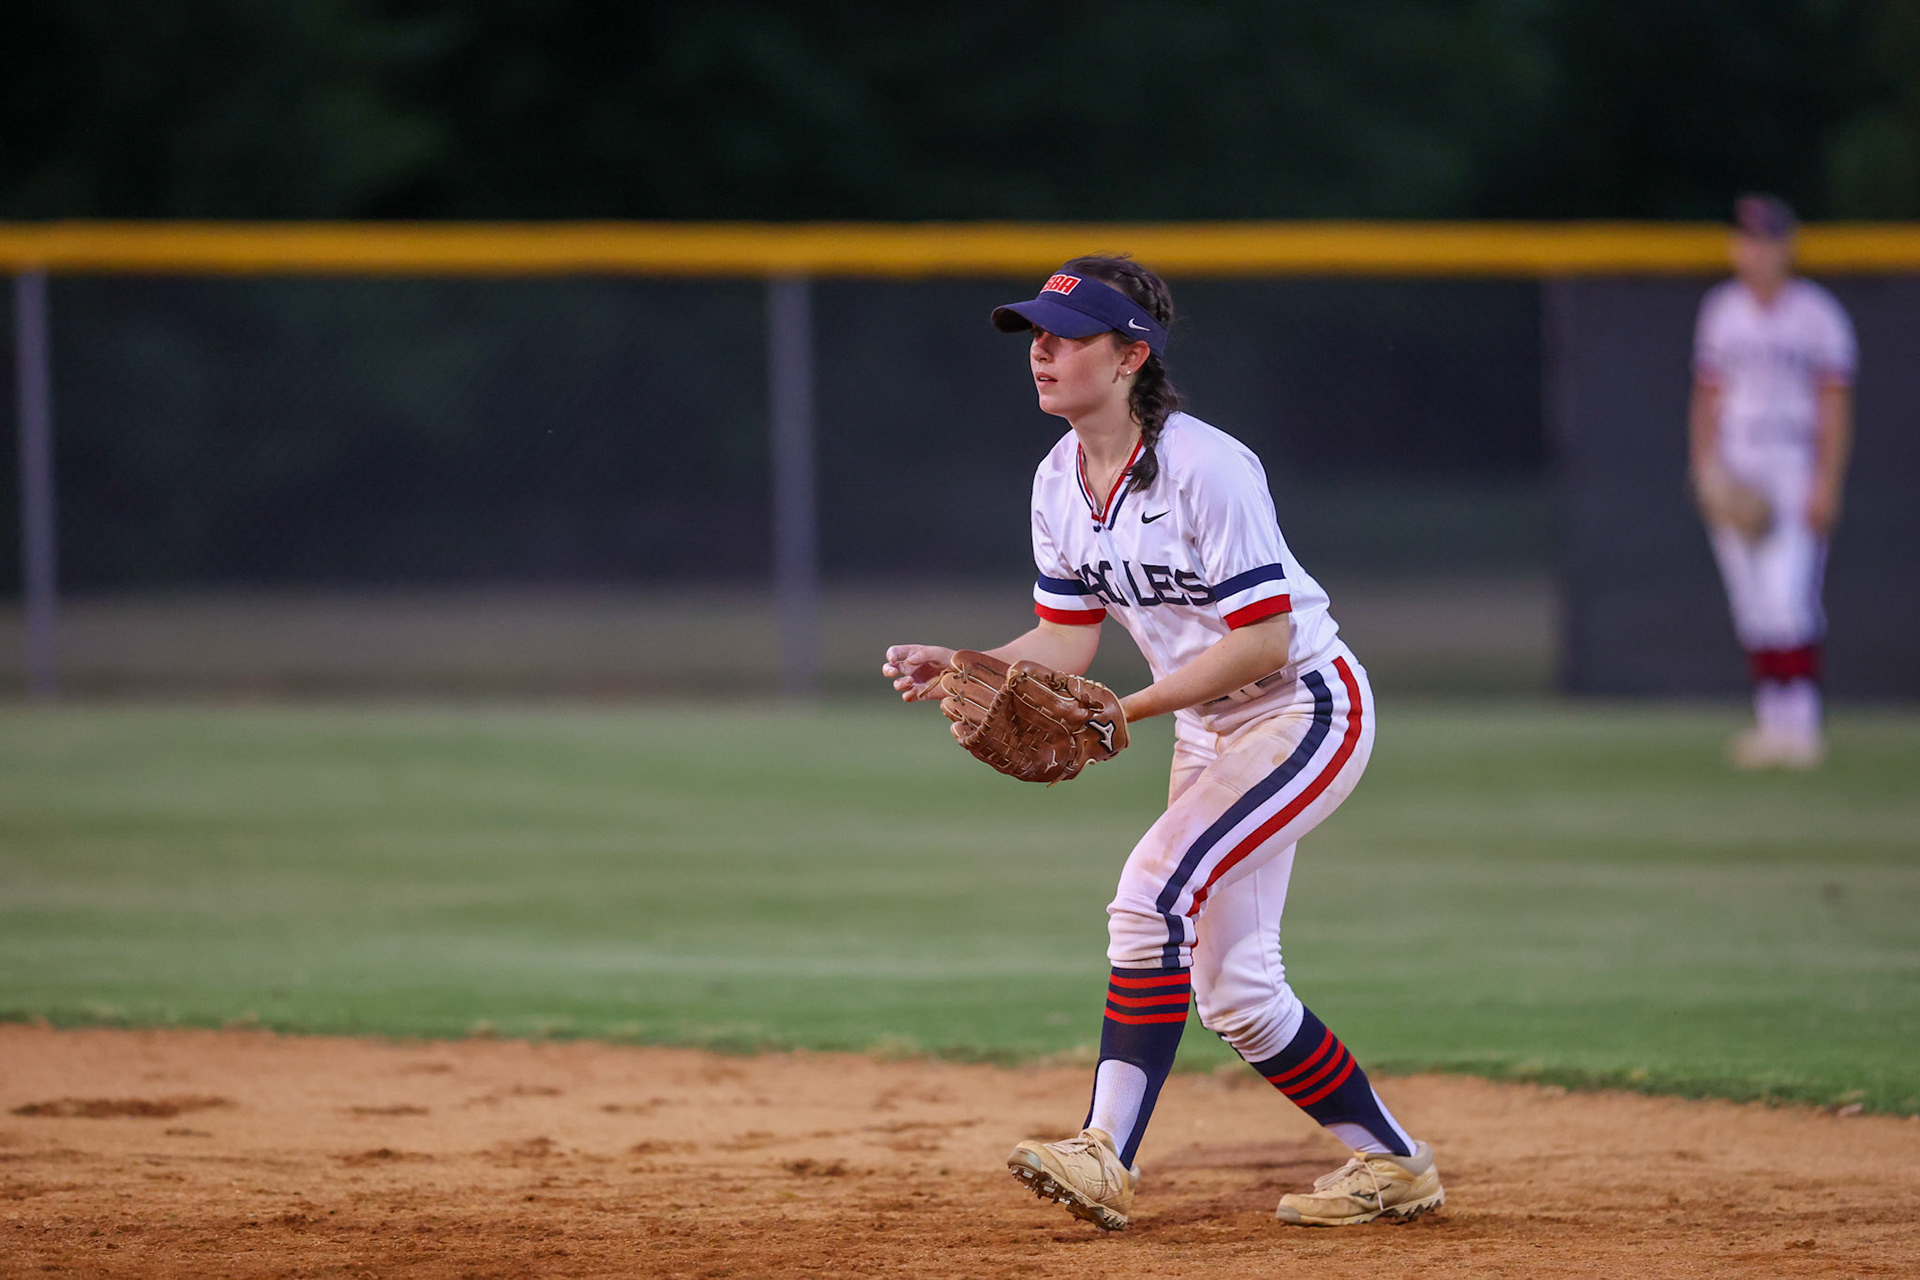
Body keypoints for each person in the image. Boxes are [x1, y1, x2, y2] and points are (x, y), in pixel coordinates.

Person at [880, 256, 1442, 1231]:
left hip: (1303, 708)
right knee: (1239, 991)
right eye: (1035, 334)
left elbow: (1263, 638)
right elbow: (1067, 636)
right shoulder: (1059, 478)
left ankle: (1104, 1151)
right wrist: (962, 658)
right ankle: (1393, 1162)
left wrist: (1126, 710)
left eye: (1067, 334)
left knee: (1150, 889)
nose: (1043, 351)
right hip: (1208, 722)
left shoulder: (1207, 467)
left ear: (1131, 354)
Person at [1690, 195, 1857, 769]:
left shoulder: (1816, 314)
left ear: (1786, 247)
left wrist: (1826, 482)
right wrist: (1704, 467)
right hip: (1738, 459)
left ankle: (1801, 724)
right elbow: (1707, 396)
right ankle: (1772, 724)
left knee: (1789, 597)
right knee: (1753, 605)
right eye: (1747, 239)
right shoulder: (1721, 310)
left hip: (1792, 460)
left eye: (1765, 240)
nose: (1755, 251)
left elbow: (1834, 405)